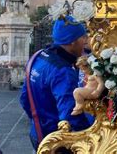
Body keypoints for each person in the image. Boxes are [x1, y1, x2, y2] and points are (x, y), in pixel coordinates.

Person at [20, 16, 92, 151]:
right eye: (83, 37)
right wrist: (89, 135)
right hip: (56, 142)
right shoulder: (63, 71)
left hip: (37, 132)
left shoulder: (38, 56)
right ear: (72, 42)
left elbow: (24, 99)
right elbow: (71, 114)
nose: (86, 41)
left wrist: (38, 121)